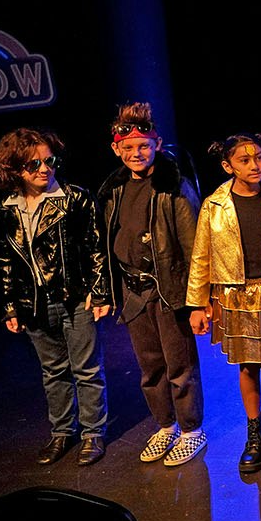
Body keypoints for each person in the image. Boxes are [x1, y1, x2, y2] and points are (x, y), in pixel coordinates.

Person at [0, 129, 113, 465]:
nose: (44, 169)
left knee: (87, 369)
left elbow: (95, 246)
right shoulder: (5, 208)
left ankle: (92, 435)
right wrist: (10, 305)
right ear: (15, 169)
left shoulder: (75, 198)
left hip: (76, 298)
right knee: (53, 372)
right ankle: (61, 433)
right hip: (35, 305)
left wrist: (99, 291)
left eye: (50, 160)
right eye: (34, 164)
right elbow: (4, 259)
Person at [186, 133, 261, 475]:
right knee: (248, 366)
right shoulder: (214, 205)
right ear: (228, 166)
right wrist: (198, 304)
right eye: (244, 160)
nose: (254, 165)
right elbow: (202, 256)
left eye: (259, 158)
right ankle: (255, 434)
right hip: (236, 297)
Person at [96, 102, 206, 467]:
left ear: (157, 144)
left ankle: (191, 429)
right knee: (150, 367)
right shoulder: (114, 190)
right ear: (116, 149)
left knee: (180, 365)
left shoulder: (173, 186)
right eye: (127, 148)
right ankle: (165, 425)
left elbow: (193, 247)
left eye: (143, 146)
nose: (136, 153)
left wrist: (198, 302)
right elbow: (108, 241)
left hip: (168, 290)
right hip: (134, 292)